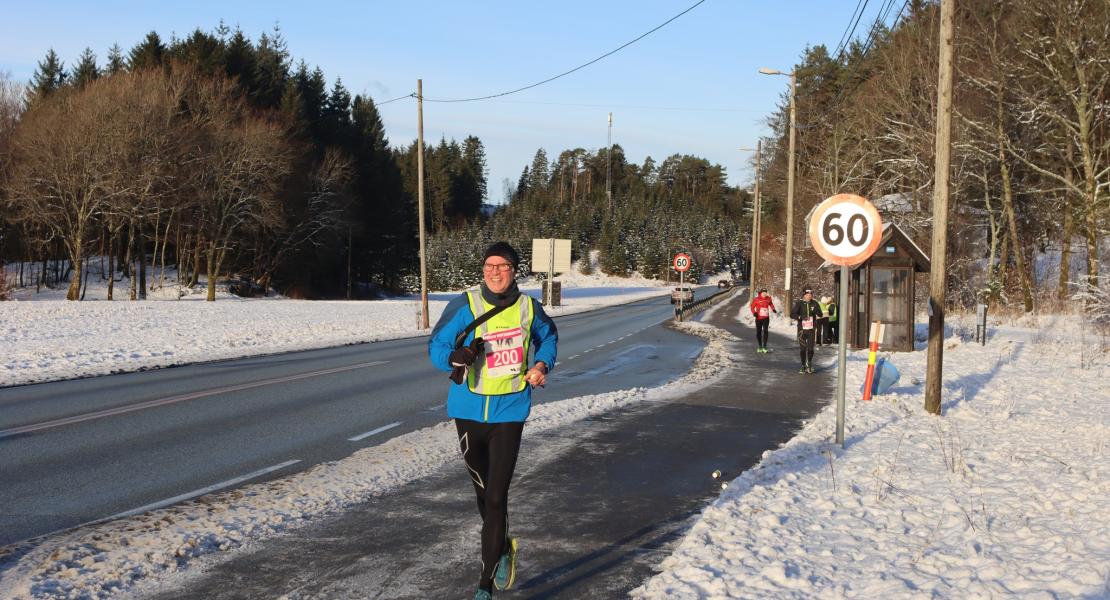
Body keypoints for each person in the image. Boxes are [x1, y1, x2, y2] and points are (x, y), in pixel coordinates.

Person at [428, 242, 559, 600]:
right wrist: (457, 355)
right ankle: (501, 545)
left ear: (514, 270)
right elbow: (435, 348)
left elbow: (548, 338)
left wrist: (541, 365)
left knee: (498, 496)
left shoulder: (529, 308)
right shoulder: (465, 305)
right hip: (468, 413)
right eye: (489, 265)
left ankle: (484, 585)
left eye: (502, 266)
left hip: (510, 411)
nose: (495, 271)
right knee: (483, 496)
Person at [791, 288, 822, 373]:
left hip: (811, 329)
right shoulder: (799, 304)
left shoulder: (815, 303)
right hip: (802, 330)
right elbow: (792, 314)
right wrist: (801, 317)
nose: (809, 296)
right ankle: (803, 365)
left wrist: (817, 310)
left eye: (811, 294)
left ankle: (809, 363)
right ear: (804, 295)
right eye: (807, 294)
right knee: (803, 349)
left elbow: (820, 314)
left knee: (811, 349)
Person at [748, 288, 777, 353]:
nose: (764, 294)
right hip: (758, 318)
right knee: (759, 332)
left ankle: (764, 346)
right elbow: (752, 307)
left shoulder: (768, 298)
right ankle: (760, 345)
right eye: (763, 293)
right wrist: (754, 313)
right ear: (760, 293)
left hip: (766, 318)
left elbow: (771, 304)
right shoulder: (756, 299)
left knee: (766, 331)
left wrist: (773, 309)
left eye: (765, 292)